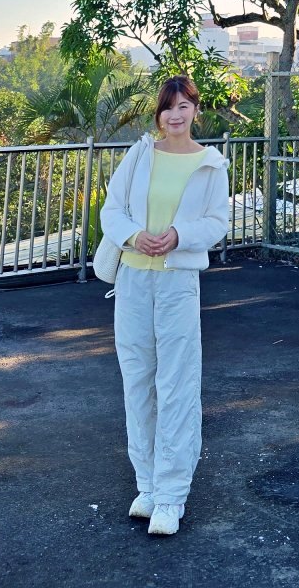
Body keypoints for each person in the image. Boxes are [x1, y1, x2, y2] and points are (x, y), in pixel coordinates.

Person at [99, 74, 230, 537]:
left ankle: (172, 496)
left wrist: (179, 236)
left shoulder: (211, 164)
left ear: (196, 111)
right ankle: (148, 486)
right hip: (133, 279)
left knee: (176, 384)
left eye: (184, 106)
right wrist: (136, 235)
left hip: (178, 283)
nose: (175, 115)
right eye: (167, 107)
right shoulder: (139, 155)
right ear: (159, 113)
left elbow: (217, 221)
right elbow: (111, 211)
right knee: (137, 382)